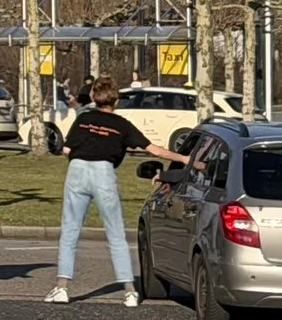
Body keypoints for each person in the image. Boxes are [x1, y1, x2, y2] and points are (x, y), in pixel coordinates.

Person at [49, 80, 184, 306]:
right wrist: (185, 159)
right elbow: (153, 149)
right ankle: (129, 291)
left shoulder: (83, 119)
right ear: (117, 101)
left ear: (94, 97)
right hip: (104, 172)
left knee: (70, 230)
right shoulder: (122, 124)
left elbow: (66, 150)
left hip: (78, 170)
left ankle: (62, 287)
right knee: (115, 232)